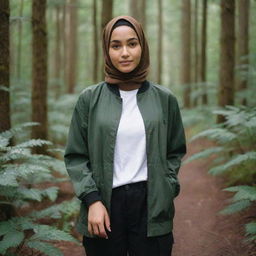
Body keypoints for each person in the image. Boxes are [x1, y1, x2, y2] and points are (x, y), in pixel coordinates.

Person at [64, 15, 186, 256]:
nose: (125, 53)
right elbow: (76, 156)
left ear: (143, 46)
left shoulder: (165, 99)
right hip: (105, 204)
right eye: (116, 45)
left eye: (132, 43)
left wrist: (166, 186)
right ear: (106, 50)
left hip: (151, 206)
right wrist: (92, 201)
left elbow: (175, 151)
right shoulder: (90, 99)